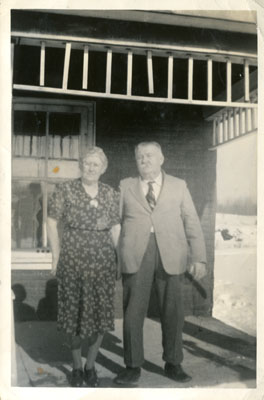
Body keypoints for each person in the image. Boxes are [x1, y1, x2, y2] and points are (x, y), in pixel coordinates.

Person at [115, 141, 207, 386]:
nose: (144, 160)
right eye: (139, 157)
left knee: (173, 311)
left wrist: (198, 256)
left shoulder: (179, 185)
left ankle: (174, 363)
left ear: (161, 159)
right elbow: (116, 222)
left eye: (149, 156)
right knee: (133, 311)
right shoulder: (126, 186)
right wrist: (115, 255)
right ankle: (132, 366)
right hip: (136, 253)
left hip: (171, 253)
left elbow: (192, 221)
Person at [47, 147, 120, 388]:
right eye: (87, 163)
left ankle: (91, 365)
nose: (90, 168)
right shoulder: (65, 189)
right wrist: (55, 257)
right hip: (73, 260)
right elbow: (51, 221)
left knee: (100, 314)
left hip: (102, 261)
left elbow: (115, 228)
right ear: (81, 165)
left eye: (95, 164)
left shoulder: (110, 194)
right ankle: (77, 366)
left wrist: (119, 256)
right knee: (75, 314)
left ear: (103, 168)